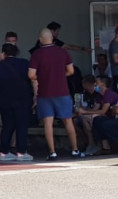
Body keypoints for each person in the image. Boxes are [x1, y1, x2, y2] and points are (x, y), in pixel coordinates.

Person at [28, 28, 84, 161]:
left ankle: (52, 152)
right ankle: (75, 150)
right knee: (68, 121)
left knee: (48, 123)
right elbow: (71, 71)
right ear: (52, 39)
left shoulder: (37, 54)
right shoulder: (62, 52)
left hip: (44, 93)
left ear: (40, 39)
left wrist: (42, 77)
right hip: (62, 91)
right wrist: (59, 76)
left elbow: (31, 75)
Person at [0, 43, 33, 161]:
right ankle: (21, 152)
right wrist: (35, 95)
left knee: (7, 125)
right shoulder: (24, 63)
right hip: (23, 99)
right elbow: (33, 78)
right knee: (21, 125)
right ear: (16, 52)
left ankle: (4, 152)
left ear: (3, 53)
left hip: (4, 100)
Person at [75, 75, 118, 152]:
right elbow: (95, 109)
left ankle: (96, 144)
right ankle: (91, 143)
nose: (95, 84)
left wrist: (86, 112)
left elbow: (103, 111)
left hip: (111, 117)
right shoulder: (100, 95)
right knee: (84, 118)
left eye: (97, 82)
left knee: (92, 118)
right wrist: (83, 112)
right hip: (102, 116)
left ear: (103, 84)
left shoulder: (109, 94)